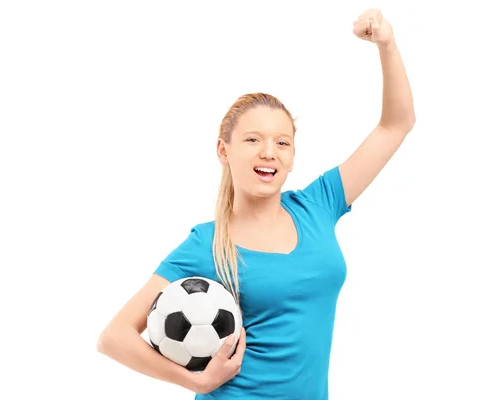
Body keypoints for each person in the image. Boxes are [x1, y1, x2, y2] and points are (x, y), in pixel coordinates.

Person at [97, 7, 415, 400]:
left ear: (293, 156)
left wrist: (387, 44)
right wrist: (196, 381)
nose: (269, 153)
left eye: (282, 143)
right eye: (252, 140)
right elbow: (114, 337)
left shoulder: (318, 204)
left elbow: (395, 124)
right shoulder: (206, 244)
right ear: (223, 150)